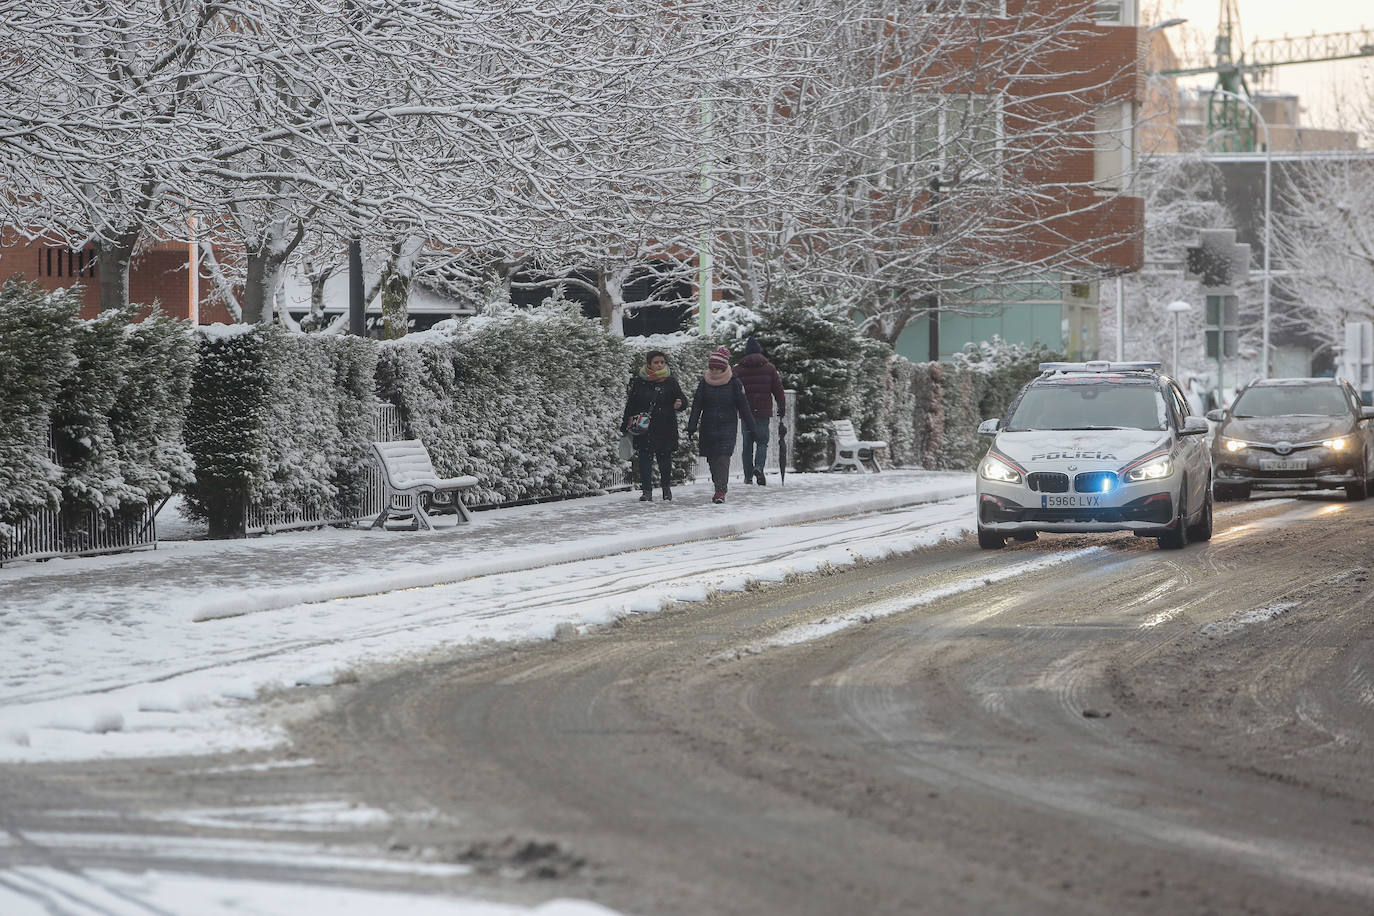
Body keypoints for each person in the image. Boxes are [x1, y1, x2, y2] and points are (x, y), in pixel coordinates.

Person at [687, 345, 757, 504]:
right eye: (711, 368)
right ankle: (717, 484)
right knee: (712, 459)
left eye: (717, 368)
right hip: (708, 425)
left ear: (723, 367)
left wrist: (752, 427)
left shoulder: (734, 383)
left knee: (723, 458)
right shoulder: (704, 383)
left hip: (727, 425)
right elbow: (697, 405)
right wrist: (692, 425)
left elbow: (743, 406)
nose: (714, 371)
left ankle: (720, 491)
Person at [621, 350, 687, 501]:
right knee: (645, 459)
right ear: (649, 364)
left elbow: (682, 399)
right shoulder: (640, 382)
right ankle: (647, 491)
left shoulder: (670, 381)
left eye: (662, 362)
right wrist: (625, 425)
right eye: (656, 362)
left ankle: (666, 489)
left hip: (666, 426)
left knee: (665, 459)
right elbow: (631, 404)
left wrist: (680, 404)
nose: (659, 365)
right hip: (645, 428)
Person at [732, 336, 786, 485]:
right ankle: (759, 467)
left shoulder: (737, 370)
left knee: (747, 444)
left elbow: (733, 391)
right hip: (763, 412)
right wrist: (782, 406)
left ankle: (748, 476)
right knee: (762, 442)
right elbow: (778, 390)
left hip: (745, 413)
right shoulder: (769, 368)